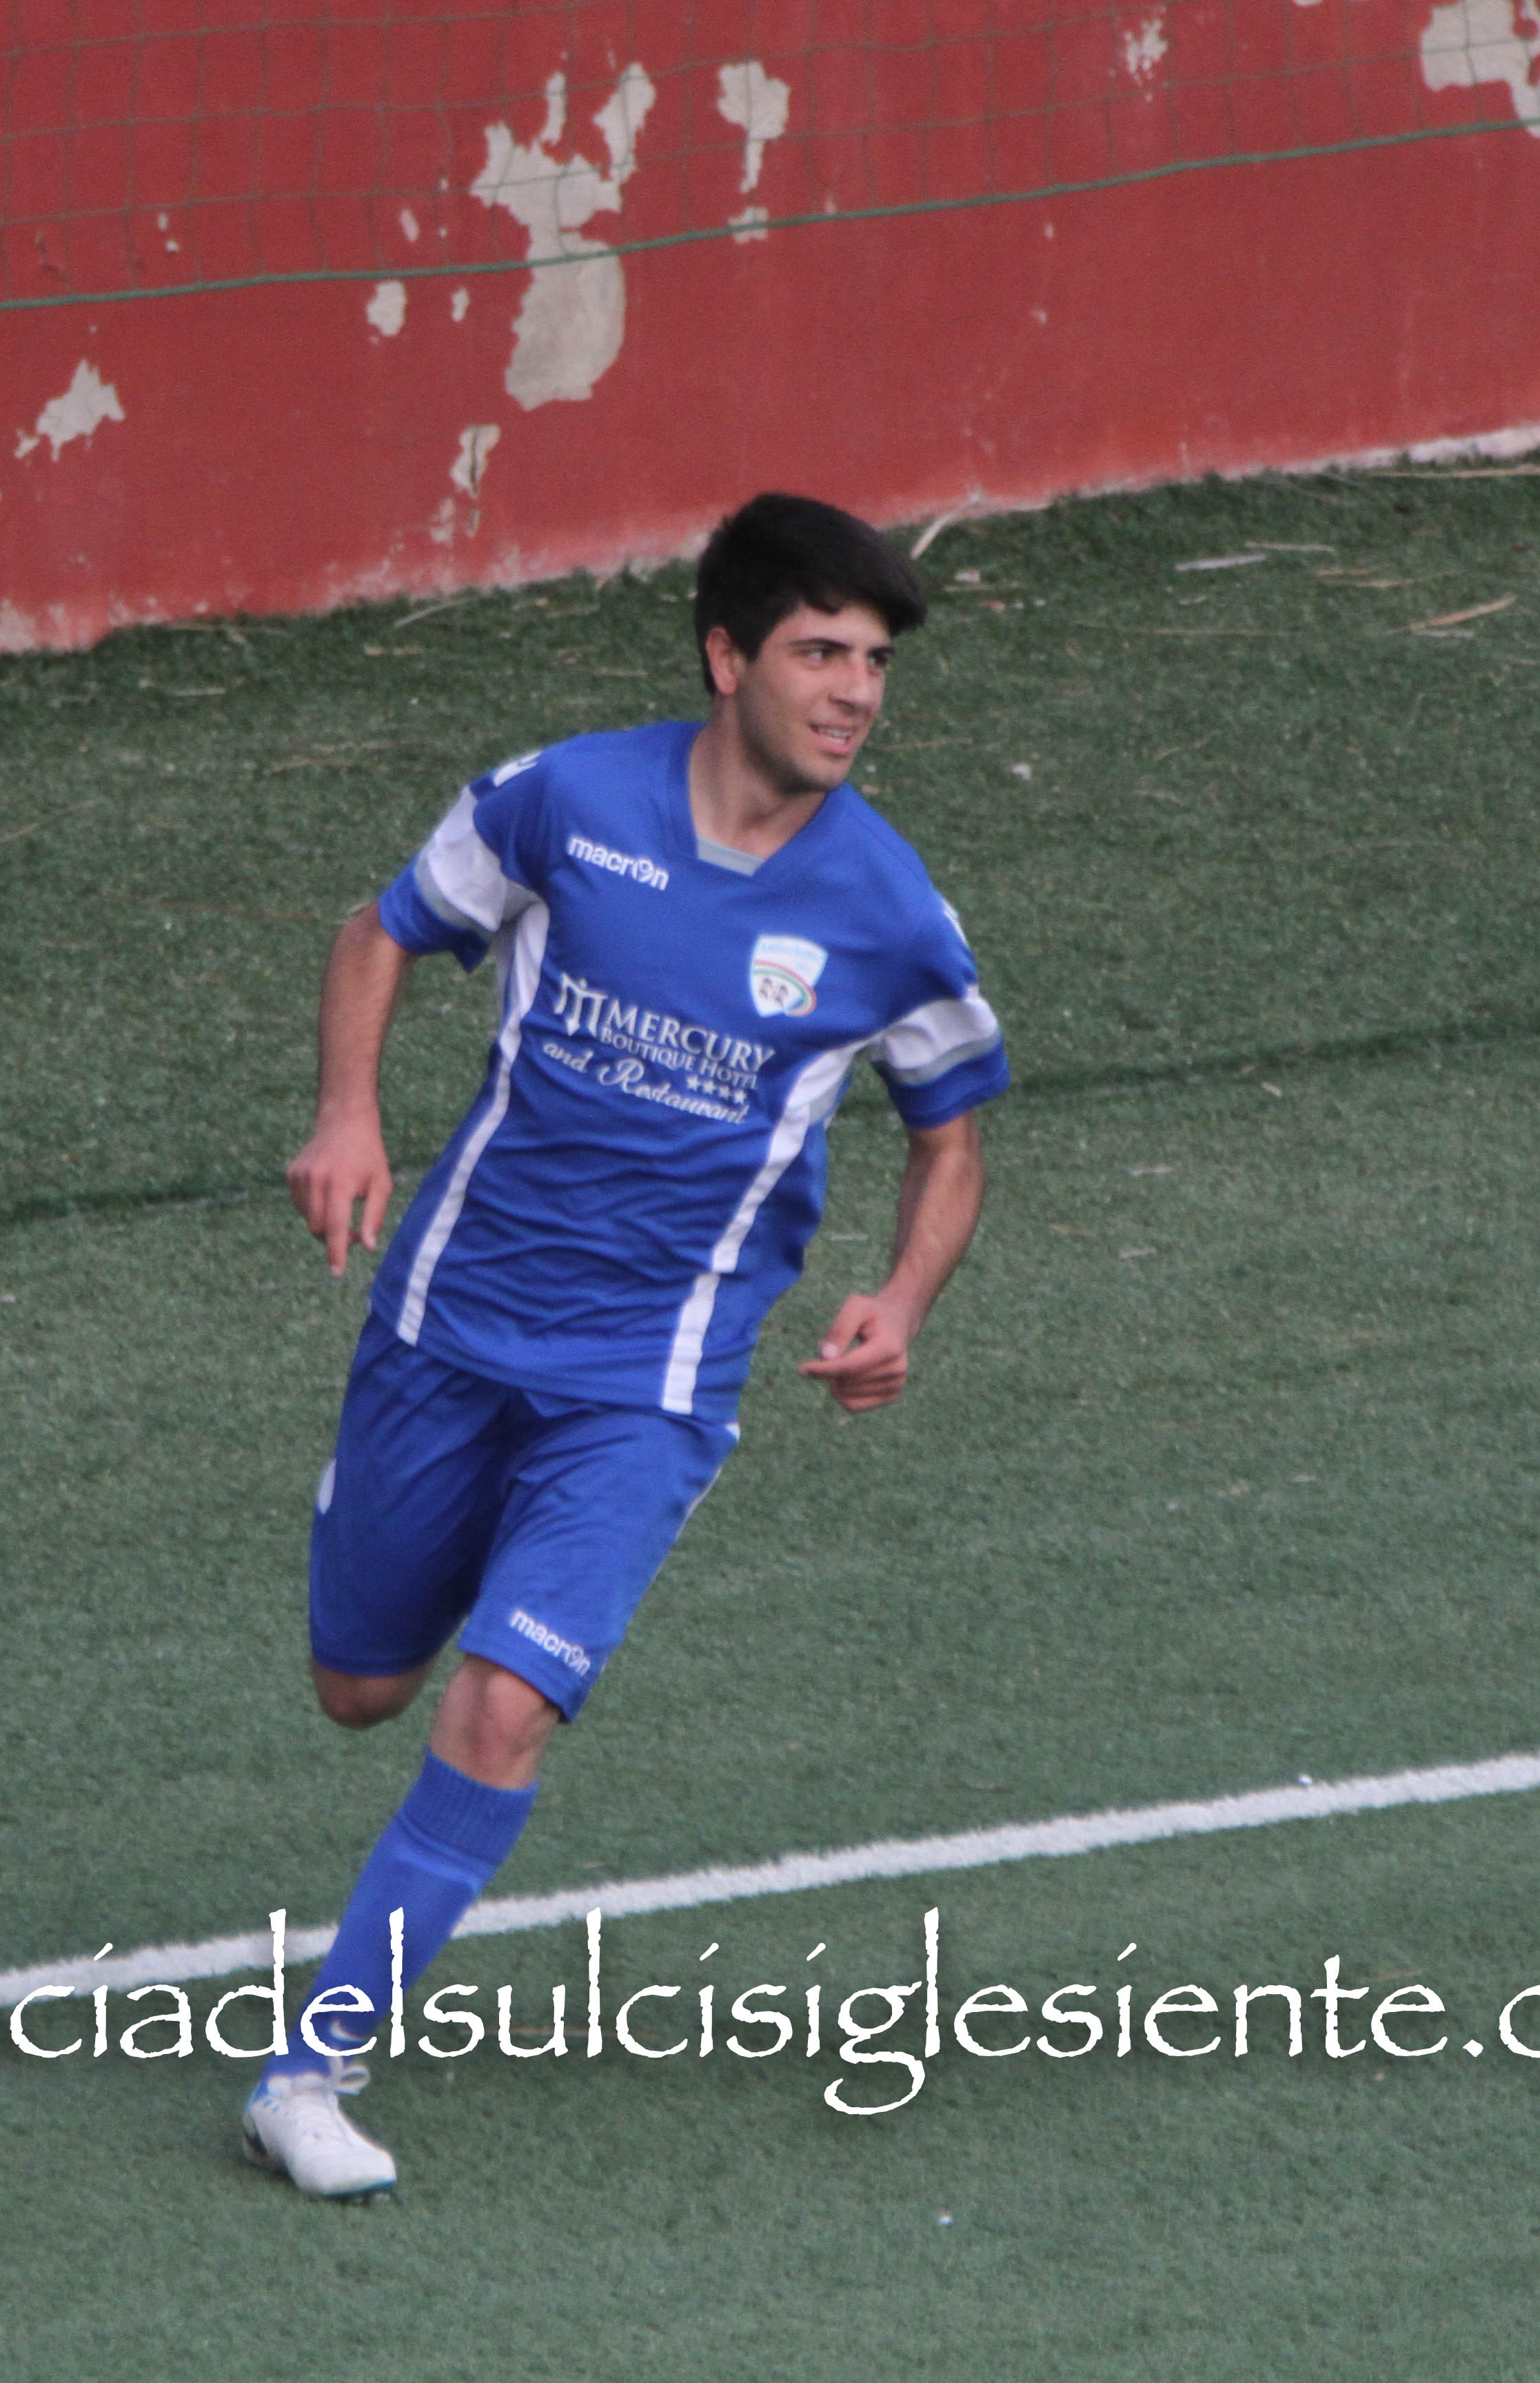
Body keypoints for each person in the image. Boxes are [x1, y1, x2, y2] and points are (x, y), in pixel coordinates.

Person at [242, 493, 1009, 2197]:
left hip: (646, 1388)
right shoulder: (567, 802)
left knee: (502, 1704)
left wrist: (900, 1301)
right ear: (728, 657)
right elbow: (384, 929)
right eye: (821, 652)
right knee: (361, 1689)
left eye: (876, 663)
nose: (855, 692)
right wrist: (348, 1110)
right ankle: (424, 1532)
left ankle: (310, 2070)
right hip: (448, 1324)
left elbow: (950, 1134)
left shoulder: (889, 911)